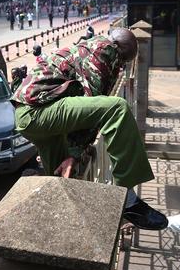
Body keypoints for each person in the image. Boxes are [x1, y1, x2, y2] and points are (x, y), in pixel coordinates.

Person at [11, 28, 167, 230]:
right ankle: (128, 201)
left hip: (32, 116)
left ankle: (60, 225)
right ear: (118, 50)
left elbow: (83, 110)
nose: (120, 67)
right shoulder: (104, 51)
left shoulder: (89, 46)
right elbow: (92, 106)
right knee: (117, 108)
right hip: (38, 113)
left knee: (61, 180)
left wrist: (72, 155)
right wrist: (75, 153)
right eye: (122, 62)